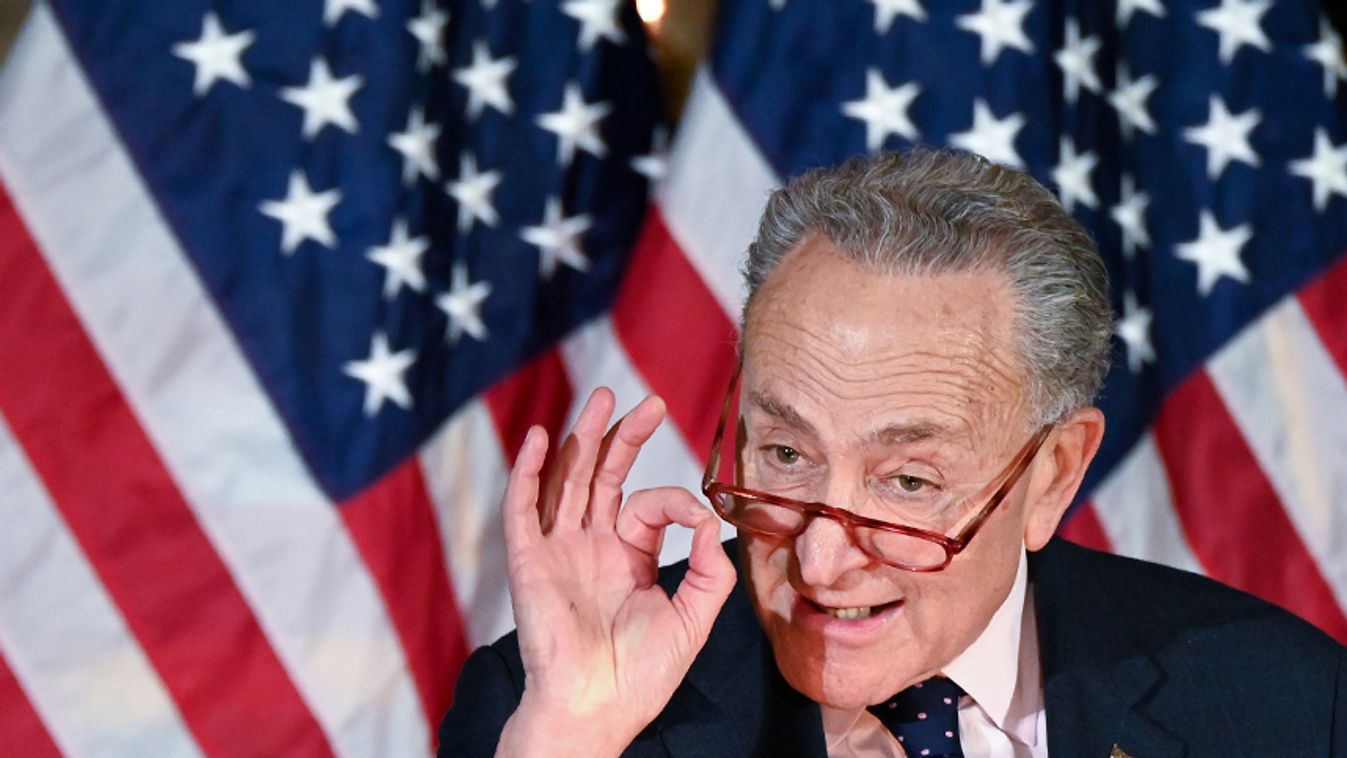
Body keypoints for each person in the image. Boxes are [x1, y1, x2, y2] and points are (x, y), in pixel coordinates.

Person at [438, 149, 1347, 757]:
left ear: (1052, 476)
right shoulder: (548, 705)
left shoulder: (1283, 705)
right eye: (784, 455)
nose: (819, 560)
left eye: (906, 481)